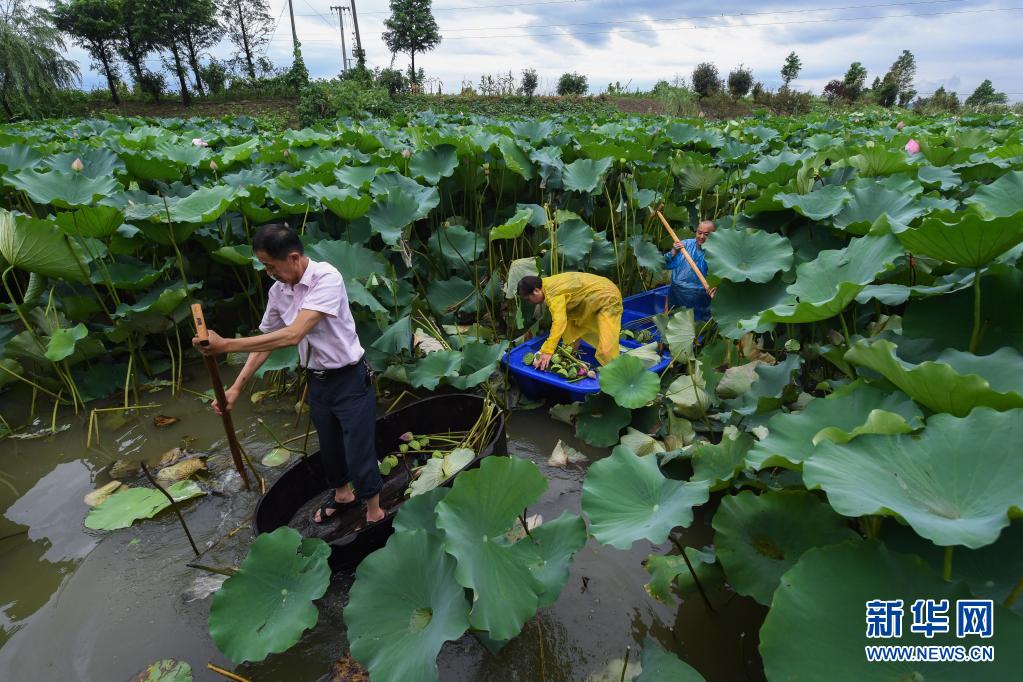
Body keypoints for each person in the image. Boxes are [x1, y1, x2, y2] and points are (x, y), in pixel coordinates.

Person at [192, 223, 384, 527]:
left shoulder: (327, 278)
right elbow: (266, 339)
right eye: (265, 268)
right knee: (330, 448)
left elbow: (293, 334)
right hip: (319, 381)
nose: (270, 273)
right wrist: (235, 389)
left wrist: (226, 345)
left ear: (294, 258)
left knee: (358, 449)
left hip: (349, 378)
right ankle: (344, 495)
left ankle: (374, 511)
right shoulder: (279, 291)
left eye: (271, 266)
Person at [517, 272, 623, 370]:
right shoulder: (546, 284)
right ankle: (569, 359)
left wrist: (547, 350)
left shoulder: (552, 294)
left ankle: (618, 376)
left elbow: (559, 322)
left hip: (607, 298)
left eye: (528, 299)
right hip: (589, 300)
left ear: (536, 291)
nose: (530, 302)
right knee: (570, 335)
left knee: (606, 350)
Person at [664, 220, 716, 321]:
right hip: (676, 294)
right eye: (699, 233)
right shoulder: (684, 245)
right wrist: (673, 252)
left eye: (706, 234)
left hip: (700, 298)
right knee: (674, 324)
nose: (701, 237)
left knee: (696, 326)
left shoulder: (717, 251)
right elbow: (663, 264)